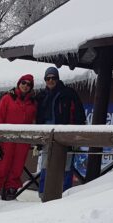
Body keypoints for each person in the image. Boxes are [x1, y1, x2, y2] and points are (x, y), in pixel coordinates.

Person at [35, 66, 87, 196]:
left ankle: (64, 192)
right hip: (46, 133)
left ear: (58, 79)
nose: (50, 80)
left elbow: (79, 114)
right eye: (48, 78)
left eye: (53, 78)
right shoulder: (41, 96)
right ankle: (43, 192)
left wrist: (76, 134)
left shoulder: (68, 93)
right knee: (45, 163)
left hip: (65, 133)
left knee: (66, 163)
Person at [0, 74, 38, 200]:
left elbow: (36, 120)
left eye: (29, 84)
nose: (25, 86)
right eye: (23, 82)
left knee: (18, 165)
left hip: (23, 140)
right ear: (19, 83)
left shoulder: (33, 103)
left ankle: (10, 189)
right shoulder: (8, 98)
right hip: (6, 138)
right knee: (3, 164)